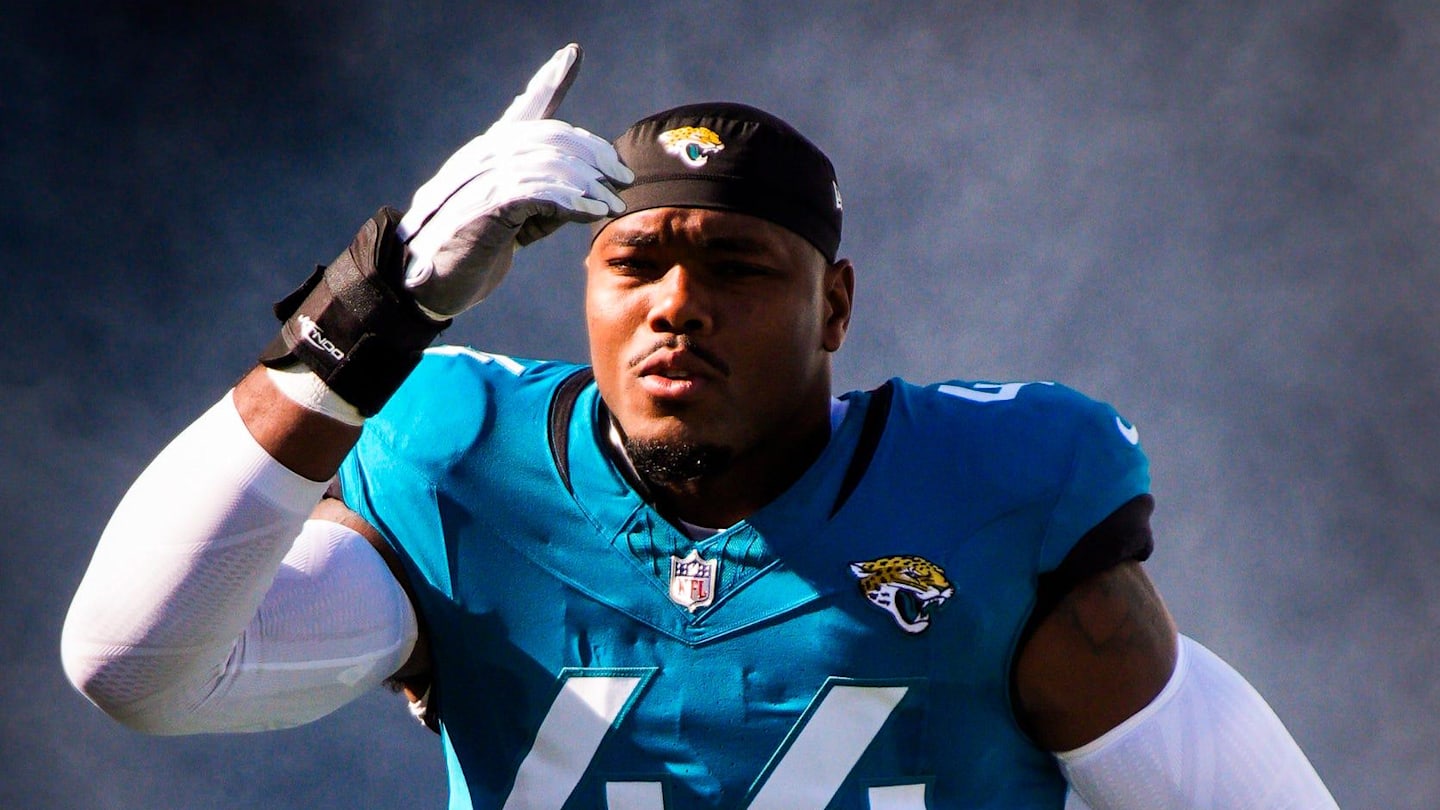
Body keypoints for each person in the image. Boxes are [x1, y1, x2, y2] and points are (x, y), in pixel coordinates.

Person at [62, 44, 1338, 809]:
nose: (679, 307)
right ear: (582, 288)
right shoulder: (462, 468)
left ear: (834, 305)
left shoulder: (997, 506)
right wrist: (366, 316)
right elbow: (137, 667)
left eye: (736, 267)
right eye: (638, 265)